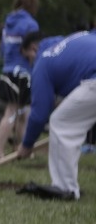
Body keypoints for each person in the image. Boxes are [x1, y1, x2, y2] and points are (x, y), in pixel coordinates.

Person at [16, 32, 96, 199]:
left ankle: (65, 188)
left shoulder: (43, 61)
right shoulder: (68, 44)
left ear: (33, 48)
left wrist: (27, 144)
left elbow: (39, 115)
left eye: (28, 58)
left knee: (61, 123)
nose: (30, 64)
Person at [0, 0, 41, 158]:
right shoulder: (31, 24)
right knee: (13, 112)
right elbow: (33, 50)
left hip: (7, 70)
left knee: (21, 113)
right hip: (22, 73)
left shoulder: (8, 22)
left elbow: (4, 48)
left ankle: (23, 150)